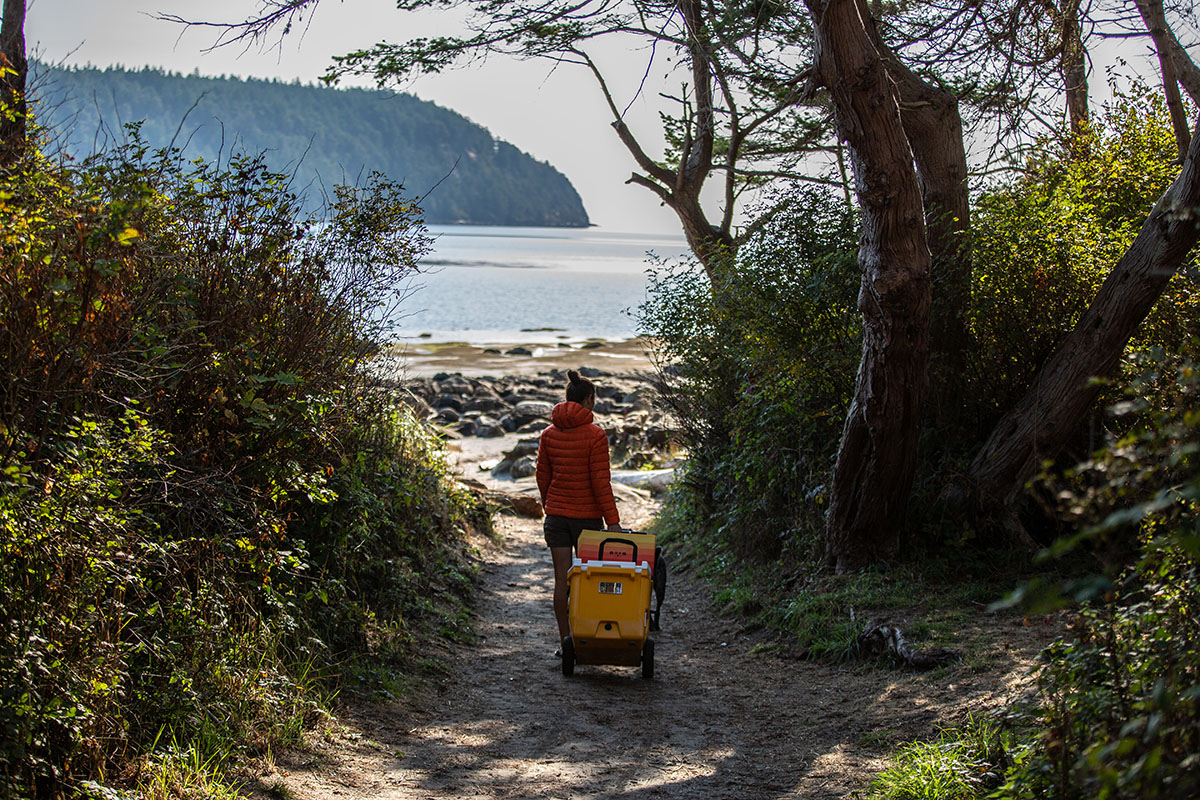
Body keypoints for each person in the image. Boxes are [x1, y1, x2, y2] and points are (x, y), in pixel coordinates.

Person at [536, 369, 622, 649]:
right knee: (588, 579)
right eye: (593, 399)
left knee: (562, 580)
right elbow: (601, 482)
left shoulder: (548, 434)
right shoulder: (596, 435)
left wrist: (549, 503)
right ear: (588, 400)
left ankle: (566, 642)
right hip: (587, 520)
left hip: (557, 517)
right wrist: (613, 521)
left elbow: (542, 476)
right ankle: (590, 638)